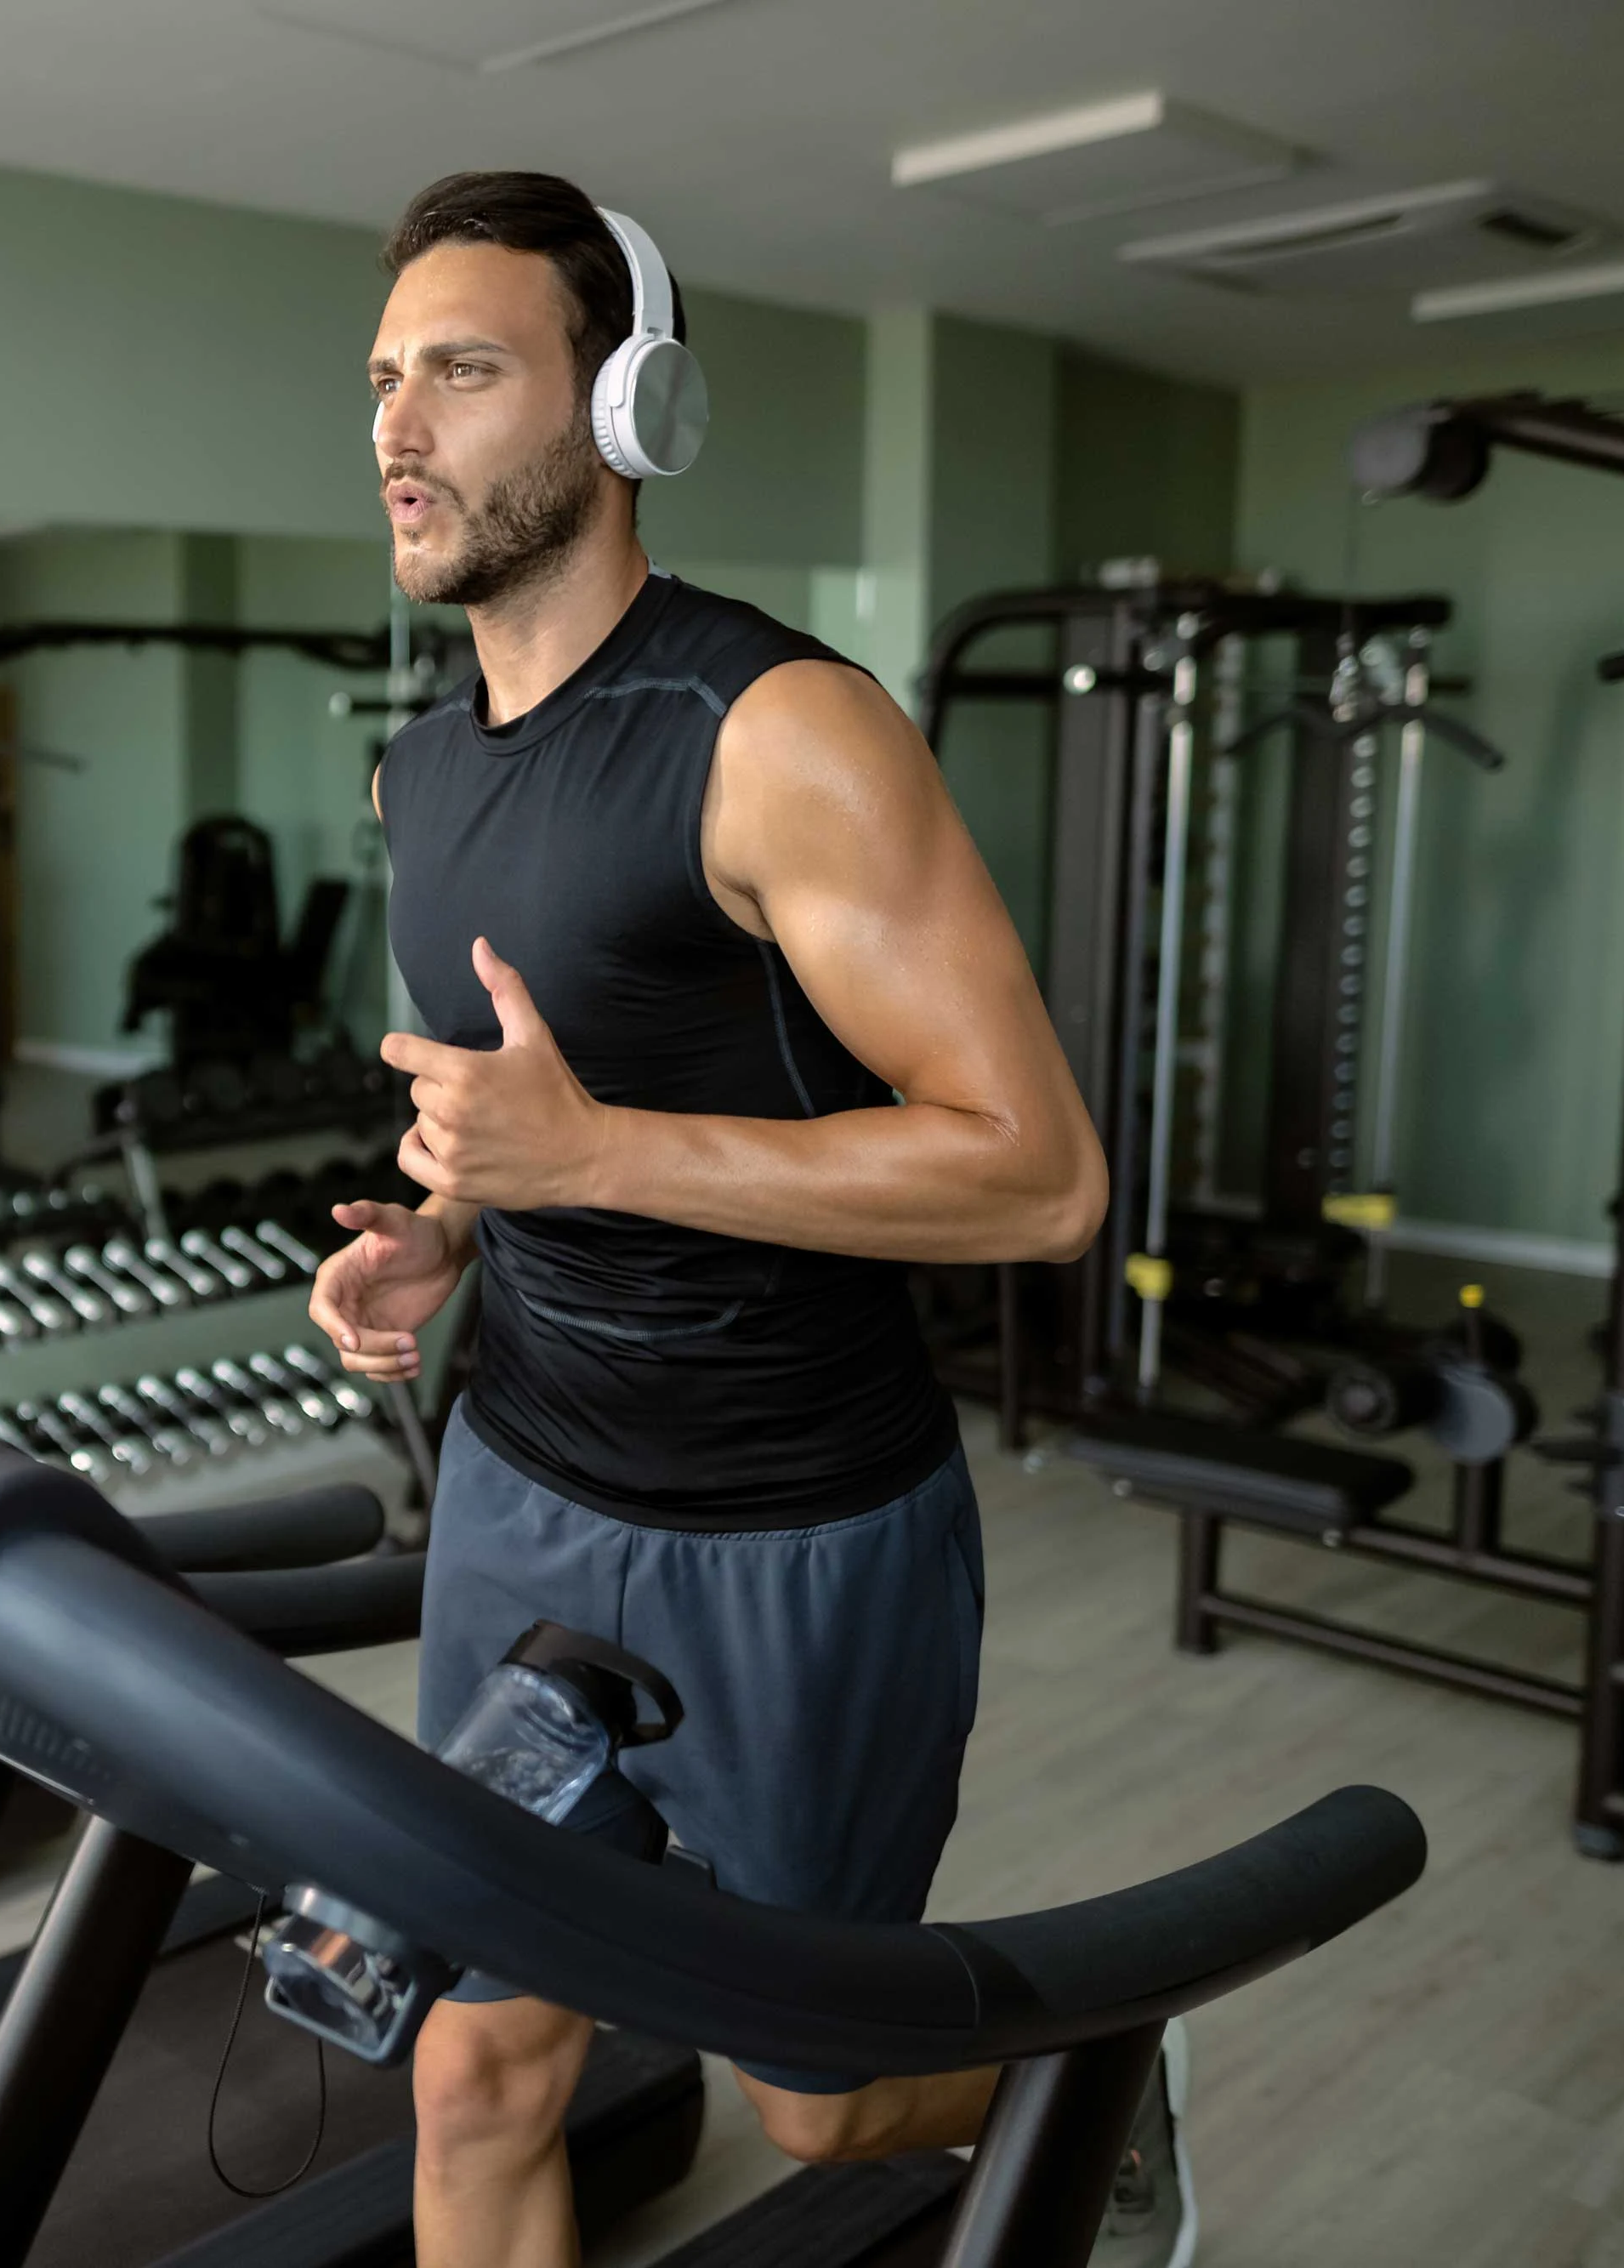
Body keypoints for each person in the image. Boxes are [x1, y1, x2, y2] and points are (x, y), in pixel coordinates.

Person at [305, 174, 1176, 2268]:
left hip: (793, 1530)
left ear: (627, 409)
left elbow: (1040, 1175)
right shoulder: (414, 777)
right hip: (519, 1483)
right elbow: (527, 1116)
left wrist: (585, 1156)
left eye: (464, 370)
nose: (395, 428)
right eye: (380, 377)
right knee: (471, 2063)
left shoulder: (776, 733)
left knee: (820, 2096)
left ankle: (1095, 2082)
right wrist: (448, 1232)